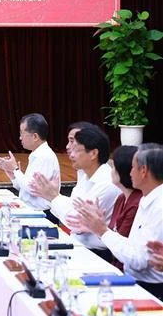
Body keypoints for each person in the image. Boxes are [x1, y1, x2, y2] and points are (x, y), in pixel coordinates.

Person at [67, 143, 163, 300]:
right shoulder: (147, 198)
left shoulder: (158, 207)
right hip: (134, 279)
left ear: (143, 171)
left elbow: (139, 260)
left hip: (150, 289)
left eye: (132, 168)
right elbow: (132, 248)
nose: (129, 173)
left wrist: (102, 231)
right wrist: (100, 230)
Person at [30, 125, 120, 261]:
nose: (70, 154)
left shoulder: (106, 182)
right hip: (79, 245)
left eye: (76, 150)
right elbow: (72, 208)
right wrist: (55, 197)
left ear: (93, 153)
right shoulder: (85, 176)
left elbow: (75, 223)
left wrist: (53, 197)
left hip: (96, 255)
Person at [66, 145, 143, 271]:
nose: (110, 170)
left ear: (123, 171)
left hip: (125, 269)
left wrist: (100, 230)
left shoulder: (136, 203)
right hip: (116, 263)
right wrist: (94, 228)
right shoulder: (121, 198)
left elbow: (119, 247)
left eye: (114, 167)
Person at [0, 113, 60, 210]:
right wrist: (12, 173)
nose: (20, 138)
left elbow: (32, 189)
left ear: (35, 136)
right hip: (30, 209)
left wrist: (16, 170)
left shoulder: (45, 156)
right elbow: (24, 189)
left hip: (42, 214)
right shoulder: (37, 154)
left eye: (22, 133)